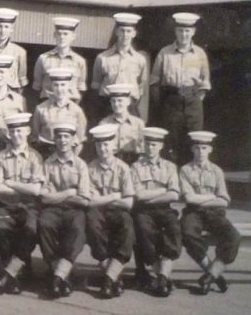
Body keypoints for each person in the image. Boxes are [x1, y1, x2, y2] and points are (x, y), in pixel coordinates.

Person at [0, 113, 44, 295]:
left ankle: (9, 275)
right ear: (8, 134)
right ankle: (16, 273)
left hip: (29, 207)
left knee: (29, 231)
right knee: (0, 232)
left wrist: (11, 183)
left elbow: (36, 190)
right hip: (7, 207)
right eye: (13, 132)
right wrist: (23, 188)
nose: (17, 135)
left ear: (28, 131)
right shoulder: (0, 157)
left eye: (20, 131)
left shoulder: (35, 157)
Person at [180, 131, 240, 295]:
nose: (200, 152)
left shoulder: (216, 171)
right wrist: (212, 197)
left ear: (210, 150)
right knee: (187, 233)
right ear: (192, 149)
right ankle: (214, 274)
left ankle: (210, 275)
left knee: (233, 236)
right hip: (193, 213)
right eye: (197, 148)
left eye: (204, 148)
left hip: (215, 214)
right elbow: (189, 199)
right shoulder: (185, 170)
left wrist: (202, 199)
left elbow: (224, 200)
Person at [37, 122, 90, 298]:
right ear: (54, 140)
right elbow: (44, 197)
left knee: (76, 228)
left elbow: (83, 198)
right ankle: (60, 273)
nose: (63, 140)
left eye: (66, 136)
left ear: (73, 140)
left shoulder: (81, 165)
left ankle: (57, 276)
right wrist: (69, 192)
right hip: (52, 209)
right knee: (44, 224)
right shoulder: (47, 163)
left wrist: (57, 195)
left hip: (74, 209)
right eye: (59, 137)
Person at [150, 13, 211, 165]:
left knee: (193, 141)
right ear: (175, 31)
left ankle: (189, 180)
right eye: (180, 31)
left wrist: (195, 98)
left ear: (193, 32)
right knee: (171, 141)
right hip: (171, 101)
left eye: (187, 31)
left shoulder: (200, 53)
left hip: (193, 102)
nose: (184, 35)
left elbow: (205, 81)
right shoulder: (165, 52)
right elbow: (154, 82)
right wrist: (162, 103)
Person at [85, 124, 136, 299]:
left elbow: (128, 202)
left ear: (113, 145)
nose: (103, 149)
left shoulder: (123, 168)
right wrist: (115, 196)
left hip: (118, 212)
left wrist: (103, 199)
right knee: (91, 223)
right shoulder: (90, 168)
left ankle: (108, 278)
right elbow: (90, 202)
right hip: (98, 212)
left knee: (127, 227)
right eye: (99, 145)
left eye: (106, 144)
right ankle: (113, 277)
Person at [130, 127, 181, 297]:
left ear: (160, 146)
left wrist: (149, 196)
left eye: (154, 145)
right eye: (148, 144)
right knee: (144, 231)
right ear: (144, 145)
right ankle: (162, 277)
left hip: (165, 209)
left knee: (174, 229)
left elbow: (174, 194)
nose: (150, 148)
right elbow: (138, 195)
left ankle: (162, 277)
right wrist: (162, 191)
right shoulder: (136, 167)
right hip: (144, 211)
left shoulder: (170, 167)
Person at [91, 13, 148, 119]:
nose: (125, 35)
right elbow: (96, 86)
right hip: (108, 106)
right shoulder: (102, 58)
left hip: (130, 107)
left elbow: (141, 87)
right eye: (122, 30)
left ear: (134, 33)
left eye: (129, 31)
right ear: (116, 32)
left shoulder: (140, 59)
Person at [30, 68, 87, 158]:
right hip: (46, 153)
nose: (59, 89)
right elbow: (35, 137)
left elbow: (80, 140)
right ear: (51, 86)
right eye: (56, 85)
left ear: (68, 86)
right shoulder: (40, 109)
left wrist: (72, 157)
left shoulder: (77, 111)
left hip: (69, 154)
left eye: (63, 85)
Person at [32, 17, 87, 103]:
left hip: (71, 104)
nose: (62, 37)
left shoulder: (79, 61)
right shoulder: (43, 58)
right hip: (47, 104)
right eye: (59, 34)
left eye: (65, 34)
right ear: (54, 35)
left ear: (73, 36)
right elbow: (36, 87)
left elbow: (81, 88)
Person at [98, 83, 144, 164]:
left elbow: (142, 148)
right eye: (113, 101)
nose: (116, 104)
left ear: (128, 101)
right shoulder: (104, 123)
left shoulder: (138, 124)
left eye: (120, 100)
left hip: (133, 162)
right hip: (111, 163)